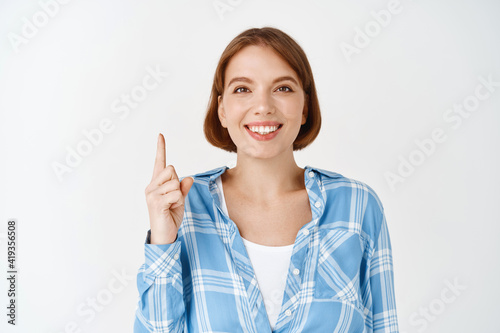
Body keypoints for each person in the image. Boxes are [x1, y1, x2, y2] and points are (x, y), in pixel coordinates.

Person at [134, 26, 399, 332]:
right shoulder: (185, 206)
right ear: (221, 109)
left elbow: (383, 325)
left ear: (305, 107)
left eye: (283, 88)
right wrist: (163, 240)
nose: (263, 106)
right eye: (243, 89)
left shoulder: (356, 206)